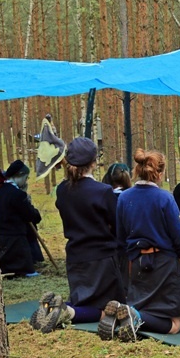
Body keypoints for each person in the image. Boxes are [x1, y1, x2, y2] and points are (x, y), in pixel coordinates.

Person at [31, 138, 125, 334]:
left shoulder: (62, 190)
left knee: (83, 300)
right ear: (93, 162)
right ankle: (68, 312)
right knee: (112, 309)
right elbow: (118, 226)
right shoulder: (103, 191)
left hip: (75, 257)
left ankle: (55, 308)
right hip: (102, 259)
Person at [103, 148, 180, 342]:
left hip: (135, 263)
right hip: (164, 264)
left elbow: (121, 236)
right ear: (159, 173)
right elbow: (178, 235)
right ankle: (135, 316)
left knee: (142, 306)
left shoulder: (124, 197)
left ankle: (130, 314)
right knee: (175, 324)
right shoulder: (165, 198)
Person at [0, 160, 42, 277]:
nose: (26, 180)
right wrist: (35, 212)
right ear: (19, 175)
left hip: (0, 235)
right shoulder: (17, 194)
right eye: (26, 177)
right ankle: (24, 269)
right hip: (15, 236)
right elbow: (30, 215)